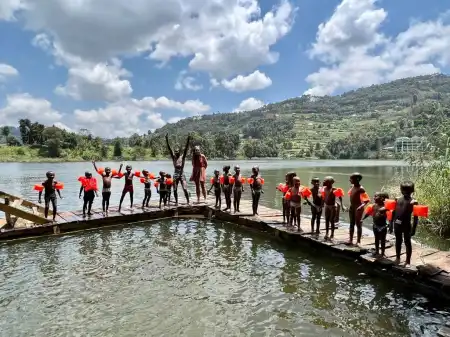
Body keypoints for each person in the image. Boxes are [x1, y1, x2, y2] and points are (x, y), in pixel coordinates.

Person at [389, 181, 418, 267]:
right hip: (397, 223)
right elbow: (393, 212)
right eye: (404, 190)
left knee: (407, 242)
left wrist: (414, 228)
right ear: (401, 190)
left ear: (412, 191)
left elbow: (416, 216)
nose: (405, 192)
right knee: (398, 241)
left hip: (406, 225)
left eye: (407, 191)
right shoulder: (397, 199)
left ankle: (407, 261)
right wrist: (390, 223)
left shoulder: (413, 202)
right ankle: (398, 258)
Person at [166, 133, 191, 205]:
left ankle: (188, 202)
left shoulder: (182, 157)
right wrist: (167, 140)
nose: (176, 152)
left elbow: (186, 149)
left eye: (177, 151)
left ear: (179, 152)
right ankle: (176, 202)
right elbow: (169, 149)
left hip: (182, 174)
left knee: (185, 189)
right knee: (174, 189)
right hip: (175, 175)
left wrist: (188, 139)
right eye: (175, 151)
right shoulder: (173, 157)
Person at [363, 192, 389, 257]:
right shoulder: (374, 205)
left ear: (382, 198)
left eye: (376, 196)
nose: (374, 198)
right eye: (374, 196)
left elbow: (390, 215)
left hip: (383, 226)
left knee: (383, 240)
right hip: (375, 225)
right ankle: (377, 251)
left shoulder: (385, 207)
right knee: (376, 239)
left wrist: (390, 224)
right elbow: (368, 213)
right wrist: (363, 219)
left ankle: (382, 253)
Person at [348, 172, 370, 245]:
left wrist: (360, 207)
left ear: (357, 179)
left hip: (358, 207)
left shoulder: (361, 189)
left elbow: (366, 200)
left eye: (351, 179)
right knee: (351, 224)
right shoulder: (352, 186)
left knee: (358, 224)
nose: (349, 180)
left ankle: (358, 241)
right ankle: (350, 240)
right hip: (352, 207)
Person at [322, 176, 344, 241]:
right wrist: (322, 204)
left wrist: (342, 205)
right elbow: (324, 196)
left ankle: (332, 234)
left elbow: (340, 197)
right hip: (327, 206)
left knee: (332, 220)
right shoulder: (324, 188)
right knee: (326, 220)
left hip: (333, 206)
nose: (323, 182)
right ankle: (326, 233)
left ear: (329, 183)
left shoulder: (333, 189)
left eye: (325, 181)